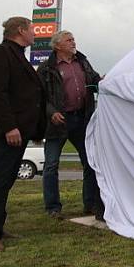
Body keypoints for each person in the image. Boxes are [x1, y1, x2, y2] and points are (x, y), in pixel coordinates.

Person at [0, 17, 46, 252]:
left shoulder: (18, 55)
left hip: (20, 131)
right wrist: (9, 127)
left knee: (5, 181)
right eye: (32, 30)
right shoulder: (0, 53)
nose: (35, 34)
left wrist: (36, 129)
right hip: (8, 132)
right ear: (21, 30)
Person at [37, 31, 104, 220]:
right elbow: (40, 96)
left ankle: (90, 204)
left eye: (73, 39)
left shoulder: (82, 62)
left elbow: (95, 80)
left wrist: (105, 82)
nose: (73, 42)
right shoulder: (46, 68)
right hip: (58, 121)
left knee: (90, 161)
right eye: (69, 40)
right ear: (57, 45)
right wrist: (51, 113)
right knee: (51, 165)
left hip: (82, 119)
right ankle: (53, 207)